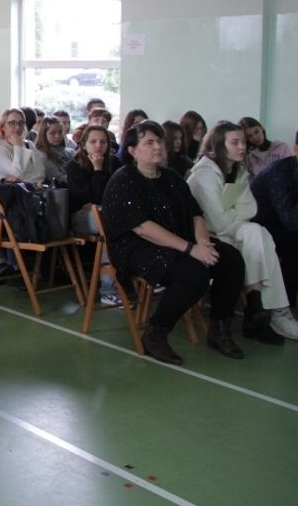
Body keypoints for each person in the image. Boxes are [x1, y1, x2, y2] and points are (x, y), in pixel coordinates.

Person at [100, 120, 245, 365]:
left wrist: (203, 242)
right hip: (138, 248)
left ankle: (219, 329)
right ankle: (156, 333)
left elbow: (195, 213)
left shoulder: (171, 177)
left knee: (230, 258)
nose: (157, 146)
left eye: (159, 141)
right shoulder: (124, 180)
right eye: (149, 142)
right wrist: (191, 249)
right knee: (194, 274)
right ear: (133, 151)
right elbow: (143, 228)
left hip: (180, 241)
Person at [187, 122, 298, 340]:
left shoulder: (237, 171)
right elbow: (216, 224)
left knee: (259, 232)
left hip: (229, 230)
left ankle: (262, 309)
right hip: (204, 237)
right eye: (235, 142)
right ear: (220, 145)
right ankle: (264, 311)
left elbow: (251, 208)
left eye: (243, 142)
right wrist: (234, 211)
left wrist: (230, 211)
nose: (242, 147)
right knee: (268, 240)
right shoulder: (204, 175)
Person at [65, 125, 122, 302]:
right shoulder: (74, 166)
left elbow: (115, 196)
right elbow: (91, 197)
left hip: (107, 215)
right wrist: (97, 170)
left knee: (114, 224)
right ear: (84, 145)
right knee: (108, 221)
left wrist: (98, 203)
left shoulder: (116, 163)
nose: (98, 146)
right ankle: (107, 290)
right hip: (79, 219)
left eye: (103, 142)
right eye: (93, 141)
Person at [250, 134, 298, 306]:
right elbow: (291, 222)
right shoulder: (278, 173)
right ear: (296, 149)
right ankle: (284, 306)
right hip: (259, 228)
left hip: (283, 223)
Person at [0, 108, 46, 185]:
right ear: (3, 127)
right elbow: (17, 173)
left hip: (32, 193)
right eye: (12, 123)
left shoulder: (29, 144)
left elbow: (41, 175)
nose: (17, 127)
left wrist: (20, 180)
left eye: (21, 123)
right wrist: (18, 146)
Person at [36, 115, 73, 183]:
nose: (57, 136)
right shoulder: (41, 155)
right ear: (44, 134)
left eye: (60, 132)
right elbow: (58, 178)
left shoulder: (71, 152)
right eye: (52, 133)